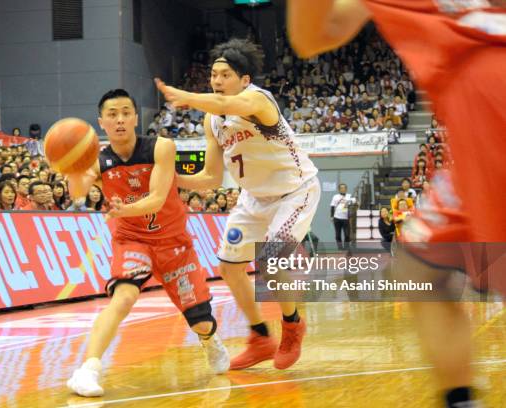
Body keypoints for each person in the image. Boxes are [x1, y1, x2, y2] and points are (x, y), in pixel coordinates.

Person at [287, 2, 506, 407]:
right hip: (475, 110)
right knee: (420, 263)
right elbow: (313, 36)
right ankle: (460, 398)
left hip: (488, 92)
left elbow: (311, 38)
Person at [155, 38, 321, 370]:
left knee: (270, 260)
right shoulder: (212, 120)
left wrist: (187, 97)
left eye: (225, 74)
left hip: (294, 192)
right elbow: (211, 178)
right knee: (229, 267)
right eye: (213, 75)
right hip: (253, 198)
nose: (217, 81)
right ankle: (260, 337)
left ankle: (292, 326)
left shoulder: (258, 100)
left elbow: (232, 104)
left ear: (244, 80)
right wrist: (169, 178)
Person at [66, 89, 229, 397]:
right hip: (133, 241)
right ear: (101, 122)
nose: (120, 119)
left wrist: (124, 209)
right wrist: (68, 166)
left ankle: (209, 340)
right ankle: (87, 369)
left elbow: (155, 199)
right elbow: (78, 190)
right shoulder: (99, 161)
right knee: (122, 299)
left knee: (202, 323)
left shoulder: (161, 147)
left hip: (174, 245)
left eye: (126, 112)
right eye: (112, 114)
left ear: (136, 117)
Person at [329, 183, 355, 250]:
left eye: (344, 188)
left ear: (346, 189)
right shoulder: (335, 196)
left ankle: (346, 247)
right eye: (341, 188)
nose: (343, 189)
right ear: (339, 189)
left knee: (347, 234)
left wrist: (354, 201)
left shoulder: (349, 196)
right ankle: (340, 248)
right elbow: (332, 206)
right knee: (338, 234)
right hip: (337, 217)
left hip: (346, 218)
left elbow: (355, 202)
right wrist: (331, 216)